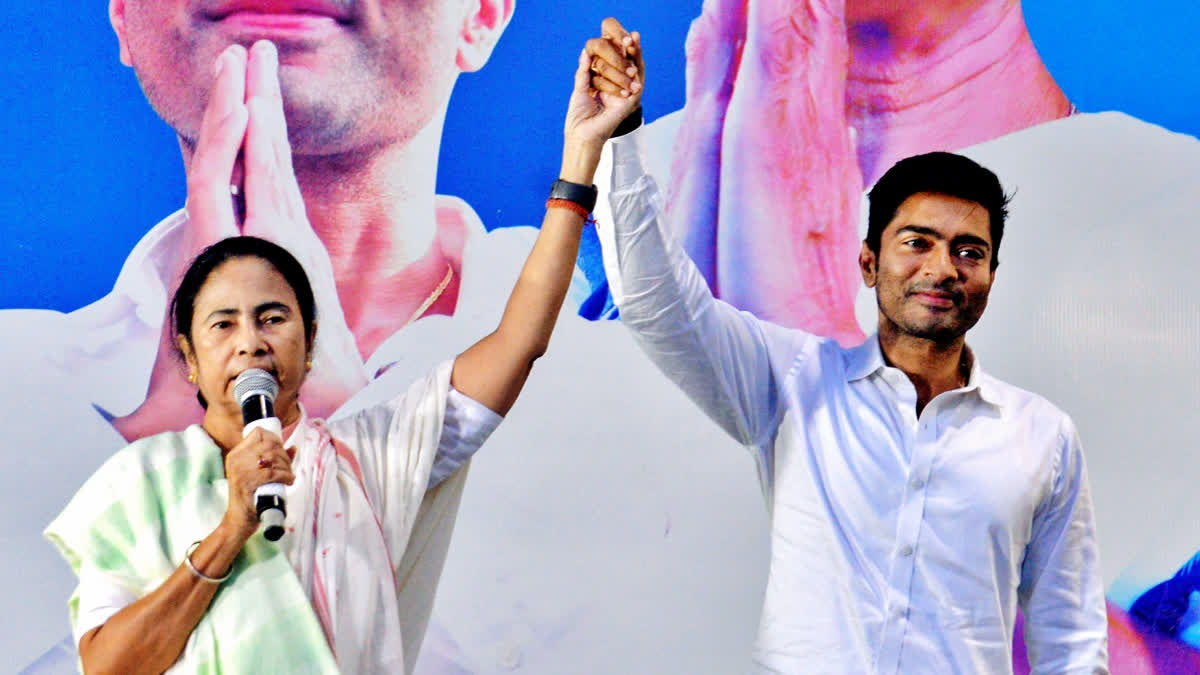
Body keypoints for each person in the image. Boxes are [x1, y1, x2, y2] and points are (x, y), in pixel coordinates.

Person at [43, 36, 640, 672]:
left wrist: (580, 162)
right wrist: (229, 532)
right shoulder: (140, 486)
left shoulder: (372, 458)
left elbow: (519, 342)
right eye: (223, 324)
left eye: (273, 318)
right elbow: (108, 666)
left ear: (309, 346)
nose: (250, 340)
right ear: (187, 358)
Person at [588, 22, 1108, 670]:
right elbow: (654, 302)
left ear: (991, 277)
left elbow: (1074, 644)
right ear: (868, 262)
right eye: (916, 242)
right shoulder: (795, 382)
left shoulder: (1042, 438)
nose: (942, 267)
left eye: (968, 251)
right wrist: (617, 140)